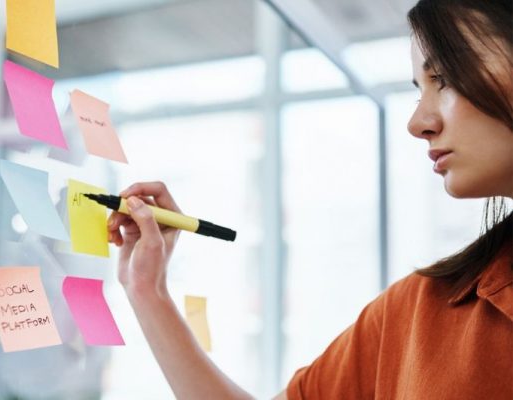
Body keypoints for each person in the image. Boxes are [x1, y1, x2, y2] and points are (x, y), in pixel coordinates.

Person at [106, 0, 513, 398]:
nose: (417, 123)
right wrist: (147, 290)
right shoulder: (418, 313)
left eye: (443, 78)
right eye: (418, 90)